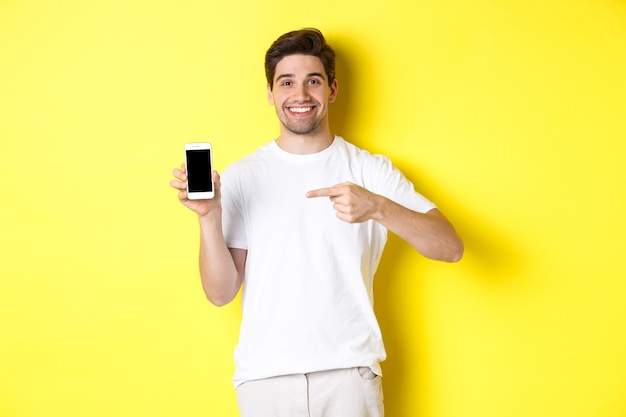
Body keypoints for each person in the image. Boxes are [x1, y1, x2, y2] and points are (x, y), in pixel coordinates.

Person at [170, 28, 463, 417]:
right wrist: (209, 217)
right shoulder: (242, 177)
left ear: (332, 89)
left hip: (348, 376)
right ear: (271, 94)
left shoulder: (370, 170)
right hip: (265, 380)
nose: (301, 95)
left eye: (313, 81)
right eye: (286, 82)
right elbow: (221, 293)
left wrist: (378, 207)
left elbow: (450, 247)